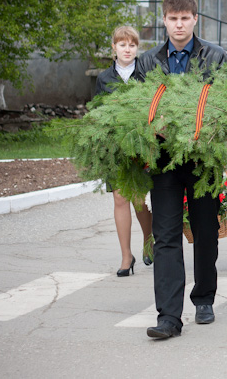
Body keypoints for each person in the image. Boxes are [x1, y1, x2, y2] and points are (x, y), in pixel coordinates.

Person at [134, 0, 227, 339]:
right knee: (166, 236)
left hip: (203, 161)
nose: (179, 25)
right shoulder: (147, 61)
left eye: (185, 18)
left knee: (205, 232)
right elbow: (137, 106)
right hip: (164, 164)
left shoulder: (214, 57)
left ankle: (204, 297)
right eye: (173, 19)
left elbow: (224, 105)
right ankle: (169, 316)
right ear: (164, 20)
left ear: (194, 19)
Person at [94, 26, 153, 277]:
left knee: (139, 200)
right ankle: (126, 256)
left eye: (131, 45)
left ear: (136, 48)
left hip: (140, 146)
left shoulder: (147, 73)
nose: (127, 49)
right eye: (122, 44)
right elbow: (98, 112)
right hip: (116, 149)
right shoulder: (104, 79)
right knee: (120, 199)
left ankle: (149, 241)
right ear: (114, 48)